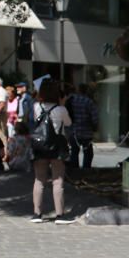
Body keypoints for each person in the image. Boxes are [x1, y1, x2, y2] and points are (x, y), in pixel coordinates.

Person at [31, 80, 73, 224]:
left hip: (40, 146)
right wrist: (62, 103)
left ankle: (37, 214)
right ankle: (60, 215)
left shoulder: (36, 107)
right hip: (57, 148)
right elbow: (68, 124)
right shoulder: (61, 110)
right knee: (57, 181)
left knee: (39, 180)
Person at [66, 83, 99, 169]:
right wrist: (95, 128)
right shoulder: (89, 102)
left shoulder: (71, 100)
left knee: (74, 152)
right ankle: (86, 170)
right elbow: (95, 117)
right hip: (86, 131)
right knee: (88, 153)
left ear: (78, 90)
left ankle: (75, 171)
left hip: (74, 131)